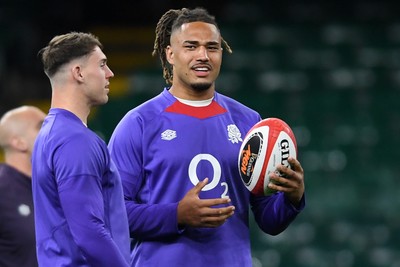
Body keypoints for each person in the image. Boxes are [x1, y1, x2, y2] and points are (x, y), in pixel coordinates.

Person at [108, 7, 305, 267]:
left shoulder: (249, 122)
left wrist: (292, 197)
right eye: (191, 46)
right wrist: (176, 215)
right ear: (170, 54)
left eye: (212, 47)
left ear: (221, 54)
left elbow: (268, 220)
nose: (203, 56)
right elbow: (112, 214)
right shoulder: (139, 124)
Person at [32, 32, 130, 267]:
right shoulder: (75, 140)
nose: (110, 74)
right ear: (78, 73)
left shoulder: (51, 132)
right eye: (102, 64)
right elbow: (89, 232)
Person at [0, 105, 46, 267]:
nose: (52, 132)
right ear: (19, 143)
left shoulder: (55, 185)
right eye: (43, 126)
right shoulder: (3, 192)